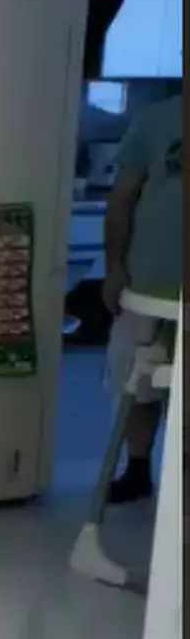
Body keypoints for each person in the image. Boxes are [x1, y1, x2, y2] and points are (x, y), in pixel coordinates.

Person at [101, 91, 183, 503]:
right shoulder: (154, 120)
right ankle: (136, 470)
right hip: (147, 279)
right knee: (138, 381)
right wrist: (114, 268)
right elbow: (121, 199)